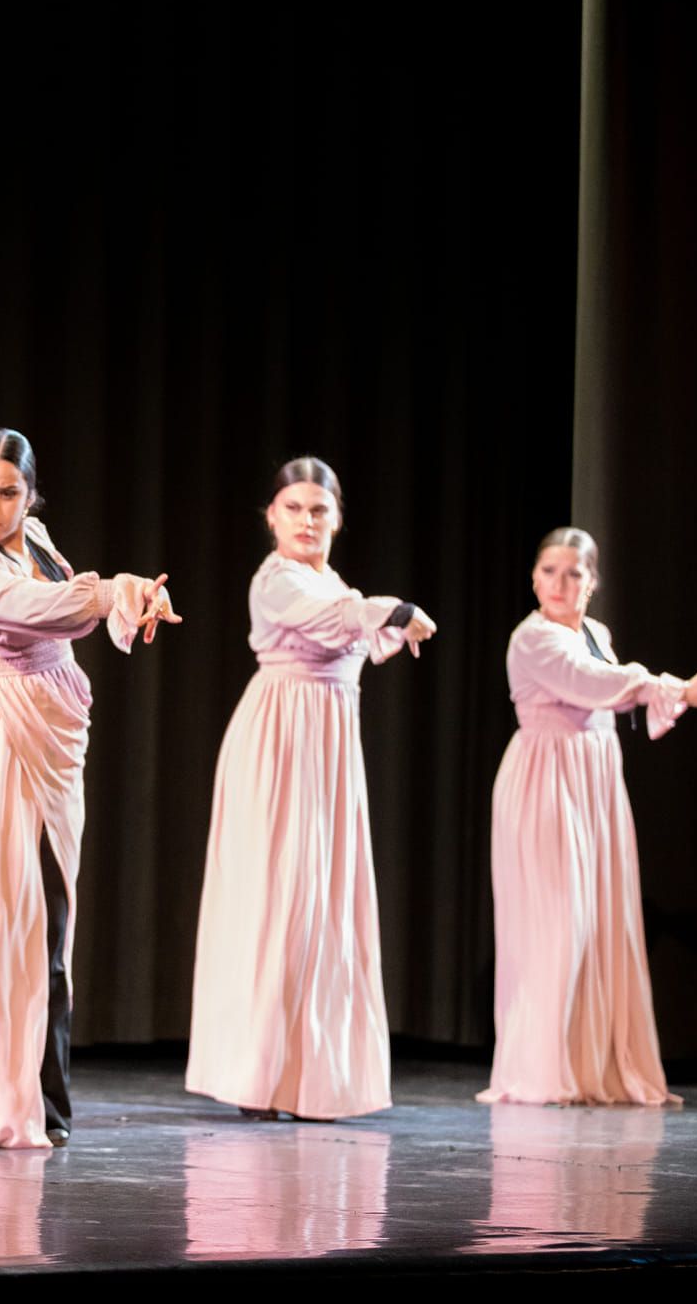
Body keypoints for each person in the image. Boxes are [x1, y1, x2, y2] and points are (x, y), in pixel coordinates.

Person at [0, 429, 178, 1148]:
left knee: (50, 922)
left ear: (30, 496)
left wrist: (131, 602)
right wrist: (114, 590)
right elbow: (46, 610)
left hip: (47, 736)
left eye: (7, 491)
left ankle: (47, 1098)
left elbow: (67, 601)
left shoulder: (37, 541)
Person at [186, 457, 435, 1121]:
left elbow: (352, 630)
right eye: (292, 507)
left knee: (325, 896)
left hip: (328, 739)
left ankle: (311, 1072)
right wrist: (394, 610)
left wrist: (383, 621)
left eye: (318, 509)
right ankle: (260, 1074)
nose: (305, 519)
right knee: (281, 893)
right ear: (271, 515)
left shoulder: (331, 581)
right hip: (283, 736)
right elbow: (333, 619)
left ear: (338, 518)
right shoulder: (277, 579)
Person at [479, 527, 697, 1106]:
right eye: (549, 571)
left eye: (574, 573)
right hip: (546, 778)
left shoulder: (596, 632)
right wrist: (676, 690)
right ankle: (541, 1071)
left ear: (593, 582)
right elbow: (593, 683)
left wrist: (668, 693)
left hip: (594, 778)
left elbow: (605, 687)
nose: (560, 584)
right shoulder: (532, 639)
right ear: (533, 578)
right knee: (556, 921)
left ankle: (593, 1069)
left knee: (601, 919)